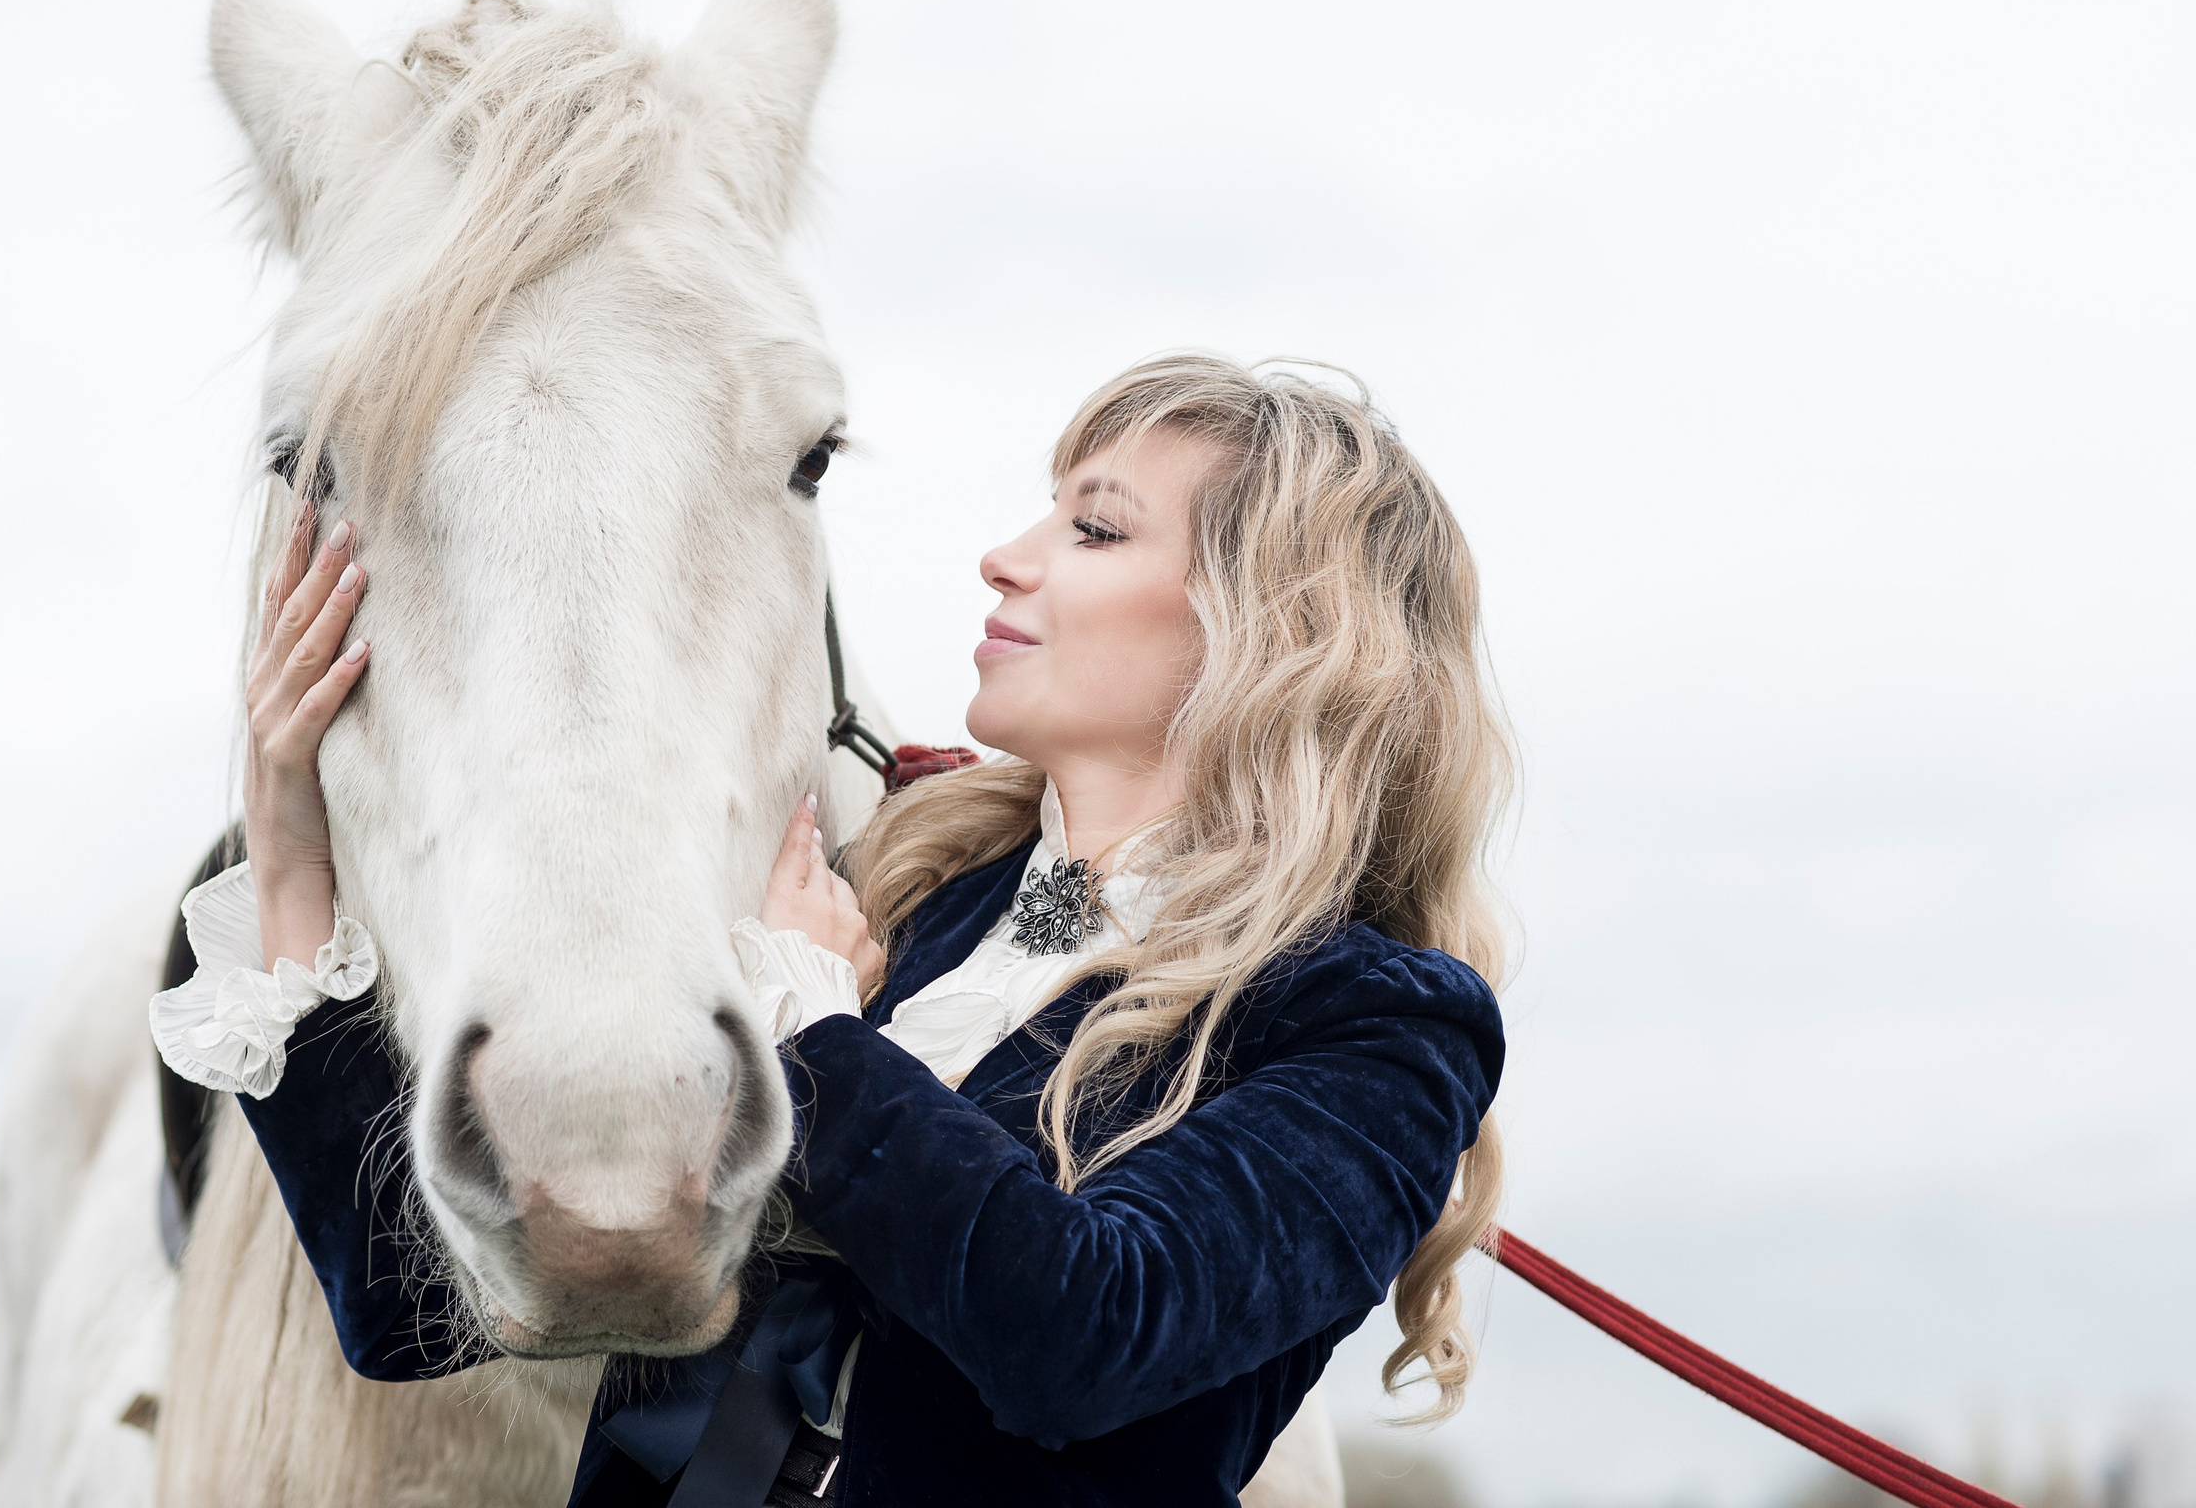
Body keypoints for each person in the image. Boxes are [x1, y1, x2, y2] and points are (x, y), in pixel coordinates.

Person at [154, 355, 1509, 1507]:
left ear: (1274, 632)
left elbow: (1079, 1336)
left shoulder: (1374, 1025)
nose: (1008, 556)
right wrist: (289, 840)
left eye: (1093, 531)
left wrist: (813, 1030)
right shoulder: (908, 914)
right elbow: (405, 1314)